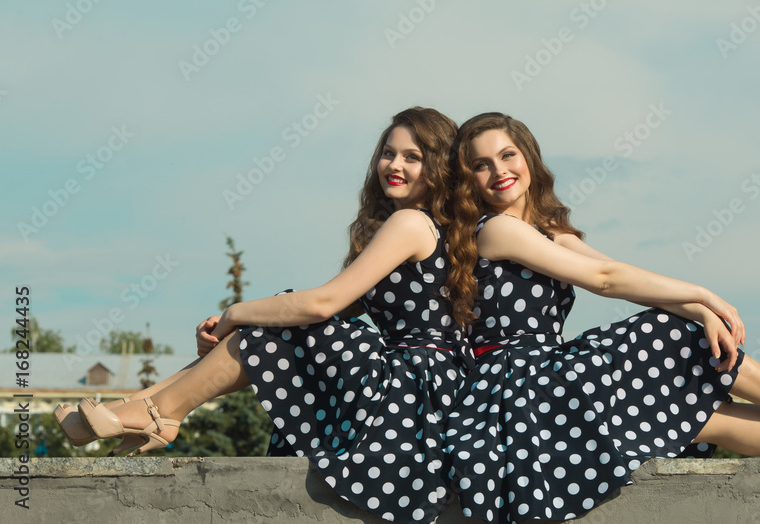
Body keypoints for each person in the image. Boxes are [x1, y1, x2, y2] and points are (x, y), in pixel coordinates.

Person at [442, 112, 760, 523]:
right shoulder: (497, 230)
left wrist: (702, 311)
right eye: (481, 165)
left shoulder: (548, 231)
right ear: (469, 180)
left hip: (548, 378)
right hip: (515, 386)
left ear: (529, 157)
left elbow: (622, 277)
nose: (498, 170)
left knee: (708, 418)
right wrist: (703, 296)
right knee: (669, 334)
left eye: (507, 154)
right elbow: (606, 281)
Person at [62, 107, 473, 524]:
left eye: (412, 157)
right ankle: (140, 406)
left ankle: (157, 413)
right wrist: (238, 325)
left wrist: (234, 313)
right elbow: (330, 307)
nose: (394, 165)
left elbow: (323, 303)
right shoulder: (425, 226)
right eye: (388, 153)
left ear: (438, 167)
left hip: (415, 389)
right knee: (278, 321)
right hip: (424, 385)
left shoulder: (410, 222)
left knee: (280, 323)